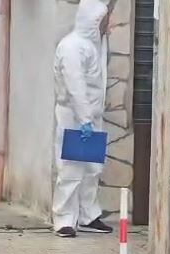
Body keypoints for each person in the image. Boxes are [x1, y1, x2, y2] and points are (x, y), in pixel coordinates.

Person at [52, 0, 114, 238]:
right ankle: (64, 219)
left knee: (91, 168)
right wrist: (85, 118)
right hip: (73, 117)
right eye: (105, 21)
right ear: (94, 21)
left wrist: (91, 117)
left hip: (91, 117)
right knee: (70, 168)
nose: (109, 26)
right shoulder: (72, 47)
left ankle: (89, 215)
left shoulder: (94, 45)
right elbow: (75, 85)